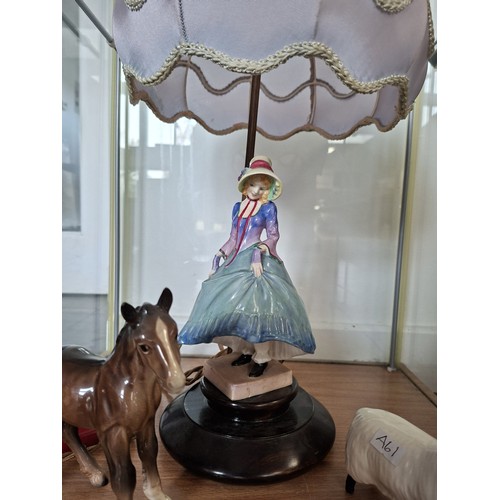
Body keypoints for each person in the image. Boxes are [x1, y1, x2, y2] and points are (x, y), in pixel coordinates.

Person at [178, 155, 316, 377]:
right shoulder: (237, 208)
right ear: (245, 184)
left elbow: (273, 235)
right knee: (234, 305)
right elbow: (234, 238)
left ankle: (262, 355)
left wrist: (259, 252)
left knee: (257, 307)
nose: (256, 190)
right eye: (253, 184)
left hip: (256, 258)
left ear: (268, 189)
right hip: (236, 259)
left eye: (262, 187)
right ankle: (245, 349)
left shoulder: (268, 209)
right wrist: (219, 254)